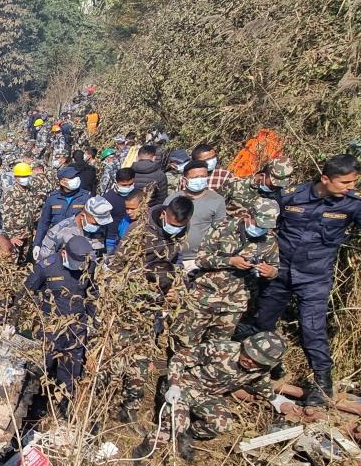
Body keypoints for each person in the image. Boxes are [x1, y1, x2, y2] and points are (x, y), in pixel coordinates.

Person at [238, 154, 361, 406]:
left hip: (314, 277)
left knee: (313, 329)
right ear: (326, 178)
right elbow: (264, 223)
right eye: (345, 182)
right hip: (278, 272)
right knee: (262, 322)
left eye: (353, 182)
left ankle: (322, 384)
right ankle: (266, 368)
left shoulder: (356, 203)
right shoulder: (292, 195)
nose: (350, 187)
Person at [106, 195, 195, 424]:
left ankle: (131, 406)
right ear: (165, 214)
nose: (174, 230)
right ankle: (105, 398)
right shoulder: (139, 230)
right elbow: (118, 265)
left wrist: (176, 287)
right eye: (172, 224)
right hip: (128, 302)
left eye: (180, 227)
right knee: (117, 352)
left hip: (153, 305)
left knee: (143, 355)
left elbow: (176, 262)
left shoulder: (179, 232)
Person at [162, 332, 286, 460]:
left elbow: (262, 384)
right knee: (177, 424)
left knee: (222, 424)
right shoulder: (221, 349)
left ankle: (187, 435)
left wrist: (274, 399)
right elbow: (180, 358)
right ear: (245, 346)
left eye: (257, 361)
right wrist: (174, 385)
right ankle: (149, 450)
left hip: (210, 396)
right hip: (184, 386)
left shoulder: (261, 370)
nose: (250, 361)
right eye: (249, 354)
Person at [174, 197, 279, 349]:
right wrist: (229, 261)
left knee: (219, 348)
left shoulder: (269, 240)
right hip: (204, 296)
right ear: (248, 216)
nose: (262, 229)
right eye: (260, 225)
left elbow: (275, 268)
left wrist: (271, 272)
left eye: (266, 227)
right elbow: (201, 259)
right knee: (186, 341)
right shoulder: (223, 228)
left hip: (235, 303)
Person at [26, 235, 95, 398]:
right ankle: (38, 403)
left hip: (76, 326)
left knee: (70, 372)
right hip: (51, 327)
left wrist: (94, 325)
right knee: (43, 367)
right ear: (64, 253)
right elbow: (27, 291)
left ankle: (64, 406)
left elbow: (93, 296)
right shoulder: (46, 266)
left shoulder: (89, 266)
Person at [166, 160, 227, 271]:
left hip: (198, 259)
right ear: (185, 179)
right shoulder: (172, 199)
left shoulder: (217, 200)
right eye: (195, 177)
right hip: (172, 257)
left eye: (203, 176)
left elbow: (219, 231)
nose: (200, 180)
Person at [34, 166, 91, 250]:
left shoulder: (86, 197)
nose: (76, 179)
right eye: (71, 178)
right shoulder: (53, 198)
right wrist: (37, 244)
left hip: (77, 243)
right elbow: (44, 222)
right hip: (55, 243)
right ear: (62, 182)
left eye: (76, 177)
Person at [38, 196, 113, 260]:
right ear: (83, 216)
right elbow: (44, 262)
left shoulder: (101, 228)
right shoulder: (60, 231)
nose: (98, 227)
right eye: (95, 223)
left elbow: (101, 254)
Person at [0, 162, 46, 259]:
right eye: (22, 176)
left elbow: (32, 211)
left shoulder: (30, 191)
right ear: (16, 178)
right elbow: (6, 216)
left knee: (25, 259)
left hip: (28, 233)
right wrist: (11, 236)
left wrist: (34, 228)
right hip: (15, 235)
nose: (25, 179)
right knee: (13, 259)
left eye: (27, 176)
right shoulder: (10, 193)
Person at [222, 156, 294, 215]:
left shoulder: (279, 197)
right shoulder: (236, 184)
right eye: (273, 184)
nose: (275, 188)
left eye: (279, 186)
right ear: (263, 175)